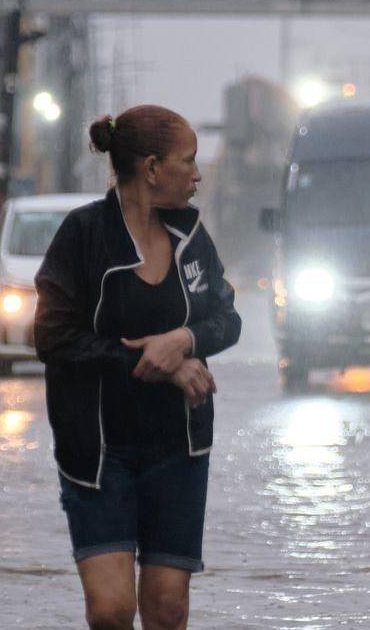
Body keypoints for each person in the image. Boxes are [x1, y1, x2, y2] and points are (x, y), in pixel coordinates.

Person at [33, 104, 242, 630]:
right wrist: (155, 363)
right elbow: (53, 337)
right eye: (187, 161)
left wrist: (185, 338)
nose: (197, 174)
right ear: (152, 169)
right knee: (111, 610)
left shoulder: (192, 239)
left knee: (168, 609)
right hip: (99, 451)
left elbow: (227, 318)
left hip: (179, 448)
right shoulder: (83, 236)